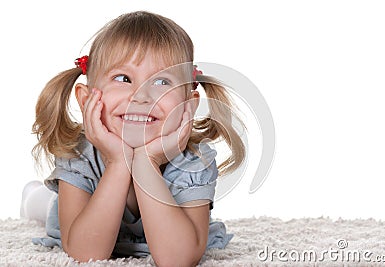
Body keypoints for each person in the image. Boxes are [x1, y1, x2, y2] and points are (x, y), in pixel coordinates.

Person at [22, 11, 246, 266]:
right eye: (123, 78)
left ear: (188, 105)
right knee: (43, 204)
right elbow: (86, 254)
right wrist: (118, 162)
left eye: (162, 81)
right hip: (76, 215)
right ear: (87, 100)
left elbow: (179, 258)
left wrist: (145, 162)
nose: (141, 96)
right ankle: (31, 194)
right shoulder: (80, 153)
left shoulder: (194, 161)